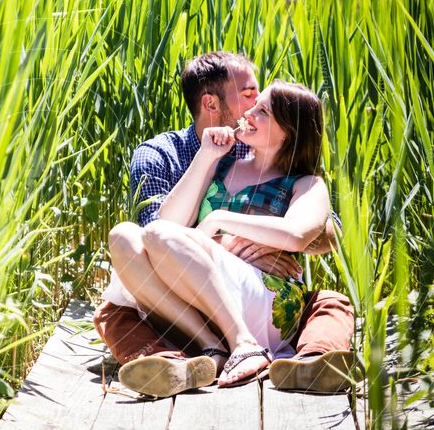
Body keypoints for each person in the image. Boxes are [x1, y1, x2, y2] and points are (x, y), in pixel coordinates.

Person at [94, 52, 356, 397]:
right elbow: (157, 231)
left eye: (261, 107)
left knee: (329, 302)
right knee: (123, 243)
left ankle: (281, 351)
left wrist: (225, 224)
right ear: (211, 103)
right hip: (191, 286)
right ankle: (201, 353)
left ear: (287, 132)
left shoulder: (301, 180)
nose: (250, 111)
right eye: (249, 96)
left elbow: (316, 230)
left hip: (252, 290)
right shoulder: (196, 157)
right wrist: (206, 159)